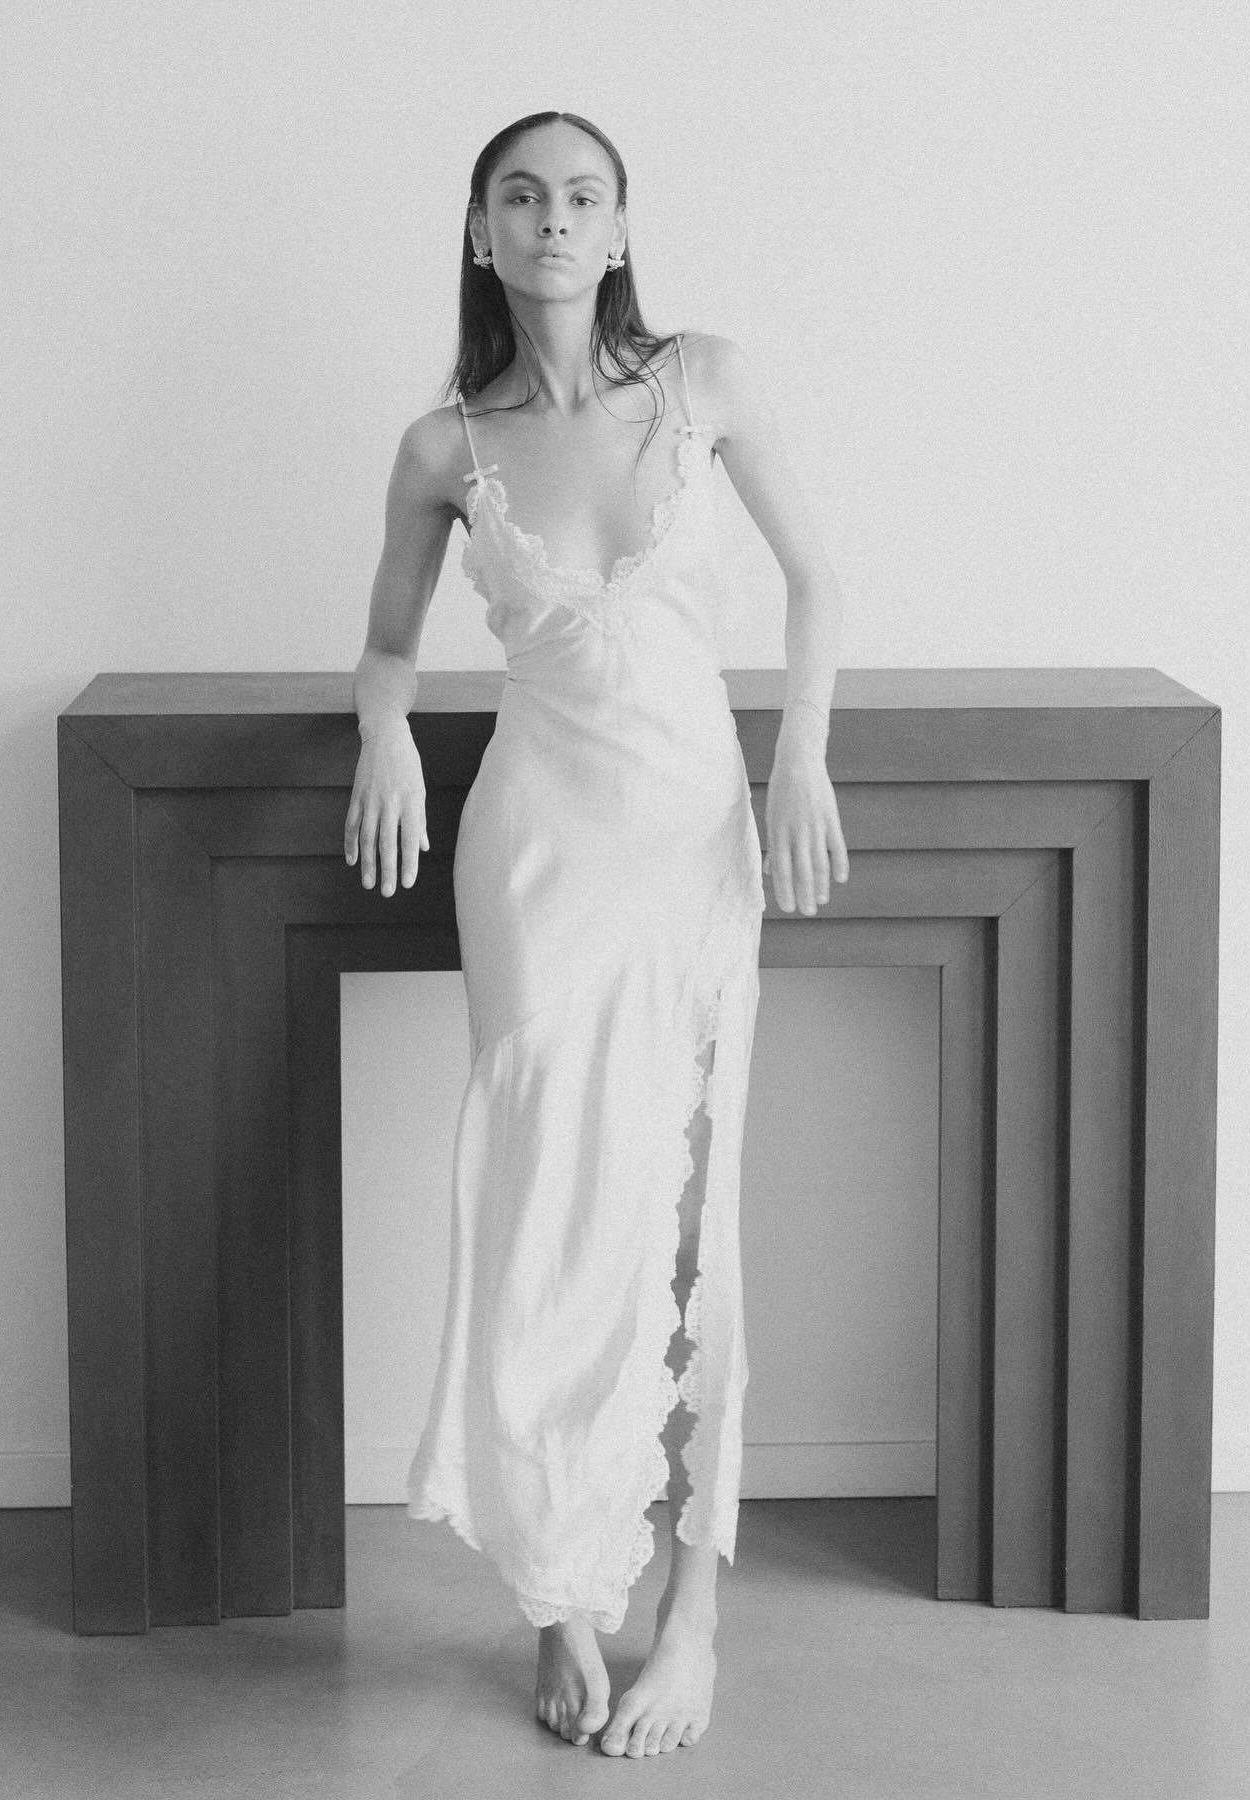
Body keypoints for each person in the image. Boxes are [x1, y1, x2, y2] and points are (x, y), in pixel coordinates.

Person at [343, 110, 847, 1759]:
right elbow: (391, 644)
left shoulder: (704, 382)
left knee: (694, 1214)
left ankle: (691, 1617)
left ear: (620, 226)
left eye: (581, 196)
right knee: (544, 1206)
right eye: (521, 196)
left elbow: (819, 582)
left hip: (694, 838)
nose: (552, 220)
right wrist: (382, 730)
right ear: (479, 229)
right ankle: (557, 1593)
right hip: (538, 847)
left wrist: (799, 755)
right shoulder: (445, 446)